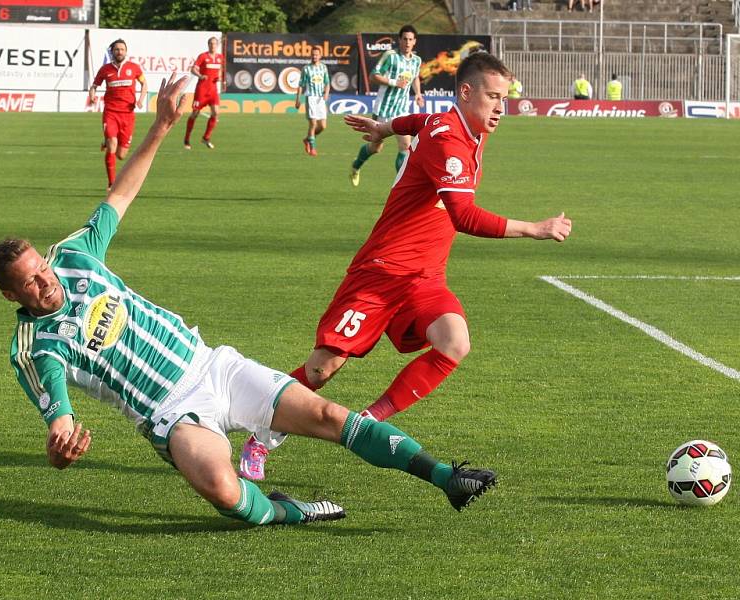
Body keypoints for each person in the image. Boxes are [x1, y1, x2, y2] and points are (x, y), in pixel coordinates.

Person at [0, 74, 498, 528]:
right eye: (30, 283)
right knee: (223, 489)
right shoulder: (36, 347)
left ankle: (445, 477)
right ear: (11, 295)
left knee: (328, 415)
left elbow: (120, 196)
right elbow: (57, 414)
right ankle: (290, 510)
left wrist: (163, 125)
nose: (45, 281)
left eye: (42, 269)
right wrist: (62, 446)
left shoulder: (75, 256)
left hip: (213, 367)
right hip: (169, 415)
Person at [239, 52, 572, 481]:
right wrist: (535, 228)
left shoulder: (461, 125)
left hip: (424, 275)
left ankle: (370, 419)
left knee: (454, 342)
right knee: (321, 369)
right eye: (493, 97)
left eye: (504, 99)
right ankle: (259, 435)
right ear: (466, 93)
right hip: (382, 272)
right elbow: (464, 216)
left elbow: (417, 121)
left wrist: (383, 127)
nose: (500, 109)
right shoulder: (449, 139)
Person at [350, 25, 424, 186]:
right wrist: (394, 82)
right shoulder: (390, 56)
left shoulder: (417, 60)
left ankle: (403, 188)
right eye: (404, 39)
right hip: (383, 109)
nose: (407, 42)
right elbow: (373, 76)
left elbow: (415, 77)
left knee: (405, 146)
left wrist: (418, 93)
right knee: (376, 147)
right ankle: (356, 166)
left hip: (402, 110)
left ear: (414, 42)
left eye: (410, 39)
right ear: (400, 40)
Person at [89, 39, 147, 190]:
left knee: (121, 155)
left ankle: (106, 141)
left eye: (122, 49)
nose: (119, 52)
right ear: (112, 52)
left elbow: (144, 83)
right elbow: (94, 86)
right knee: (113, 144)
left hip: (128, 114)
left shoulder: (134, 68)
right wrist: (92, 96)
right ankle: (111, 183)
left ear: (126, 51)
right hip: (111, 112)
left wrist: (141, 99)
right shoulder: (105, 69)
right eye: (116, 49)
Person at [184, 36, 223, 150]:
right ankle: (186, 139)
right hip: (202, 90)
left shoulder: (220, 58)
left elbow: (220, 70)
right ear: (208, 45)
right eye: (211, 43)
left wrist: (219, 76)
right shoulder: (203, 56)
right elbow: (193, 69)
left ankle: (206, 137)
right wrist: (200, 75)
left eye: (215, 43)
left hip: (213, 90)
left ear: (217, 45)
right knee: (195, 114)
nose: (213, 45)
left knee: (216, 112)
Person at [294, 46, 330, 157]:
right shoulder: (306, 69)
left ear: (320, 56)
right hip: (311, 98)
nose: (314, 56)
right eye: (313, 54)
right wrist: (298, 99)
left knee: (323, 126)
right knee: (313, 123)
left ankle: (307, 139)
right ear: (311, 55)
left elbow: (327, 83)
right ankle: (313, 148)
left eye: (316, 54)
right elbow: (301, 85)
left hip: (320, 99)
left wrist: (326, 93)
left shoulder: (323, 68)